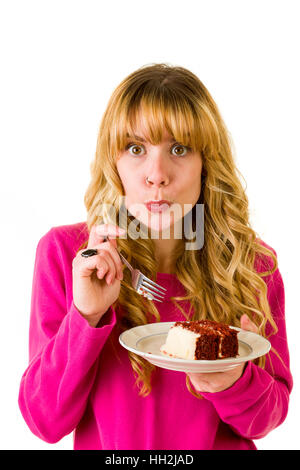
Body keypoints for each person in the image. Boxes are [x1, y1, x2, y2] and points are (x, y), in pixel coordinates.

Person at [18, 63, 293, 450]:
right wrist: (86, 317)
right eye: (135, 149)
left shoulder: (251, 265)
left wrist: (236, 382)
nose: (157, 174)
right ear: (114, 163)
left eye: (178, 149)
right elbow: (43, 422)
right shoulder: (69, 256)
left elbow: (267, 418)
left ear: (206, 163)